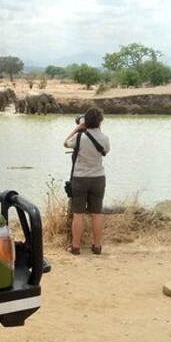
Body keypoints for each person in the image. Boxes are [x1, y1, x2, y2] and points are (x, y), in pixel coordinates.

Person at [64, 107, 110, 255]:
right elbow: (106, 151)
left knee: (78, 214)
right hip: (98, 178)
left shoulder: (79, 138)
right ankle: (97, 246)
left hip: (80, 178)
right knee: (97, 213)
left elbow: (65, 143)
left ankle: (76, 247)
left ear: (85, 122)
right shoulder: (104, 138)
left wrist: (78, 127)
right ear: (100, 122)